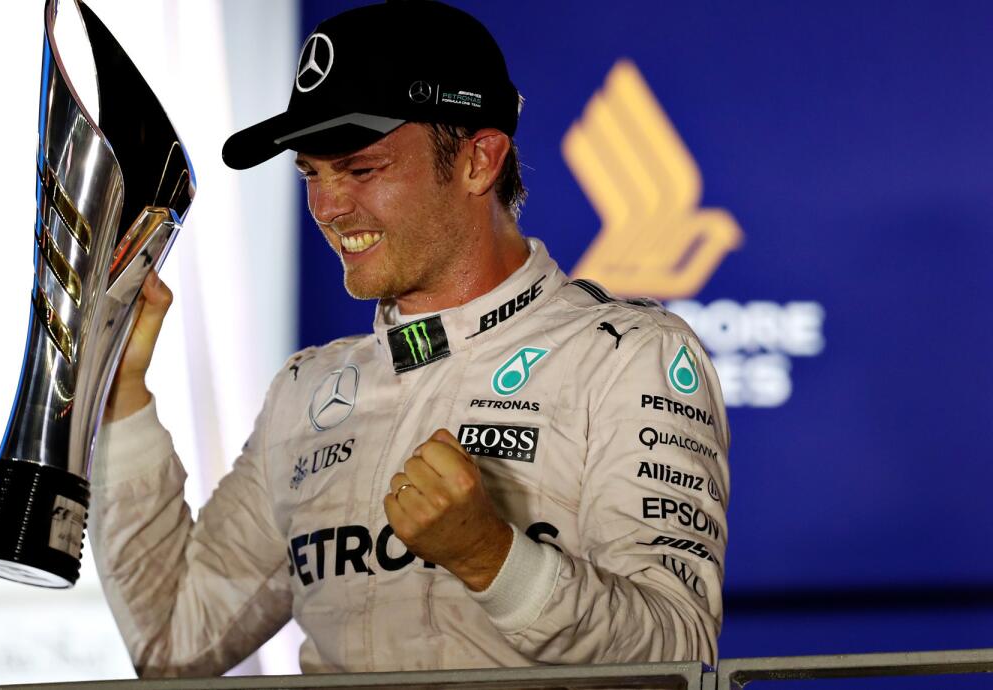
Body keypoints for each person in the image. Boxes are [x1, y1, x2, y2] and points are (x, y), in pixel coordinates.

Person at [90, 0, 730, 677]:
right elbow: (172, 644)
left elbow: (678, 658)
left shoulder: (625, 356)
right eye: (311, 172)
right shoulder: (307, 393)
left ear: (480, 162)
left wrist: (491, 556)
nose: (329, 208)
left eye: (361, 169)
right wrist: (123, 393)